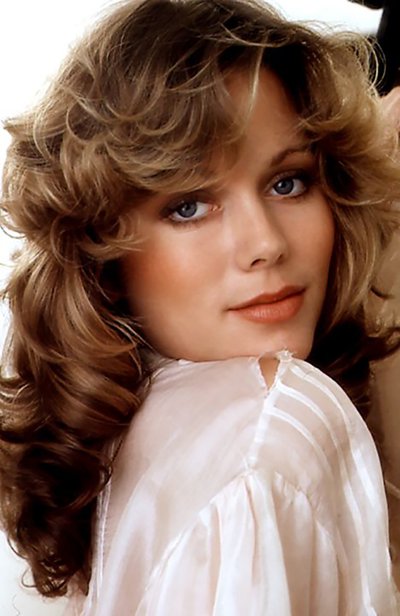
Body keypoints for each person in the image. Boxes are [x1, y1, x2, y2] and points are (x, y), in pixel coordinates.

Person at [0, 0, 399, 613]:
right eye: (188, 206)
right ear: (103, 250)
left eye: (287, 182)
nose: (265, 244)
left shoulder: (116, 437)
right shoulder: (275, 428)